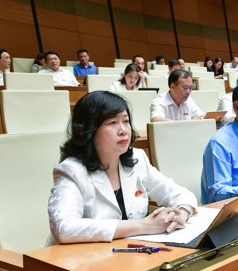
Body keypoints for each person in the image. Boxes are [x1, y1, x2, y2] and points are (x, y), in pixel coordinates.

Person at [47, 91, 197, 245]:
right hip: (79, 260)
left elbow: (183, 195)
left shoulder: (137, 159)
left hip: (128, 255)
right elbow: (64, 228)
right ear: (89, 130)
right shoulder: (72, 170)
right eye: (112, 123)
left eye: (126, 121)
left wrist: (181, 213)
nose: (123, 130)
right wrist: (143, 225)